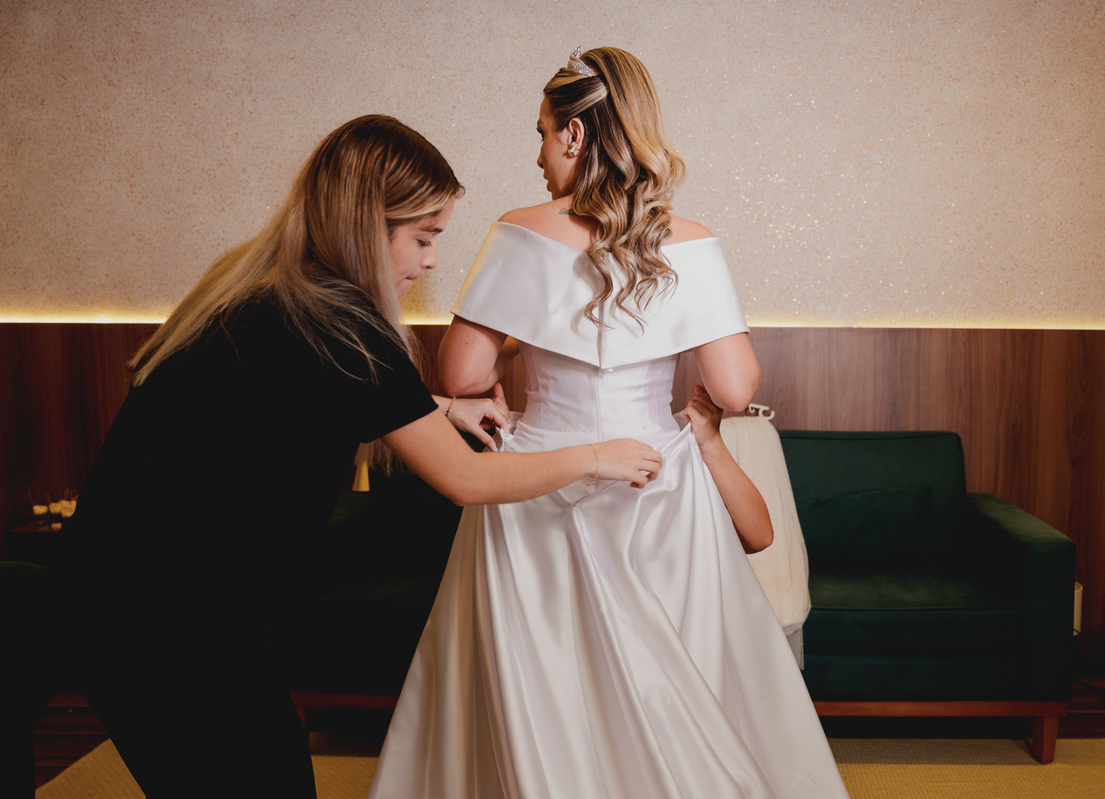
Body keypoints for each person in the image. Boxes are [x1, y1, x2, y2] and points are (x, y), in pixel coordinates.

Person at [53, 114, 661, 799]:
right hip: (166, 619)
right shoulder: (345, 324)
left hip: (120, 594)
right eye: (423, 237)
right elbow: (465, 478)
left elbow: (307, 392)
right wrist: (595, 456)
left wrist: (443, 407)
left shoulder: (269, 288)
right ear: (369, 227)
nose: (432, 261)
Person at [368, 48, 849, 798]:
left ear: (574, 134)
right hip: (657, 478)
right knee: (676, 681)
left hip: (532, 480)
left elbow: (461, 378)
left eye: (542, 133)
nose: (538, 155)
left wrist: (527, 337)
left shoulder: (517, 232)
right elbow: (732, 387)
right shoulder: (691, 241)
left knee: (542, 683)